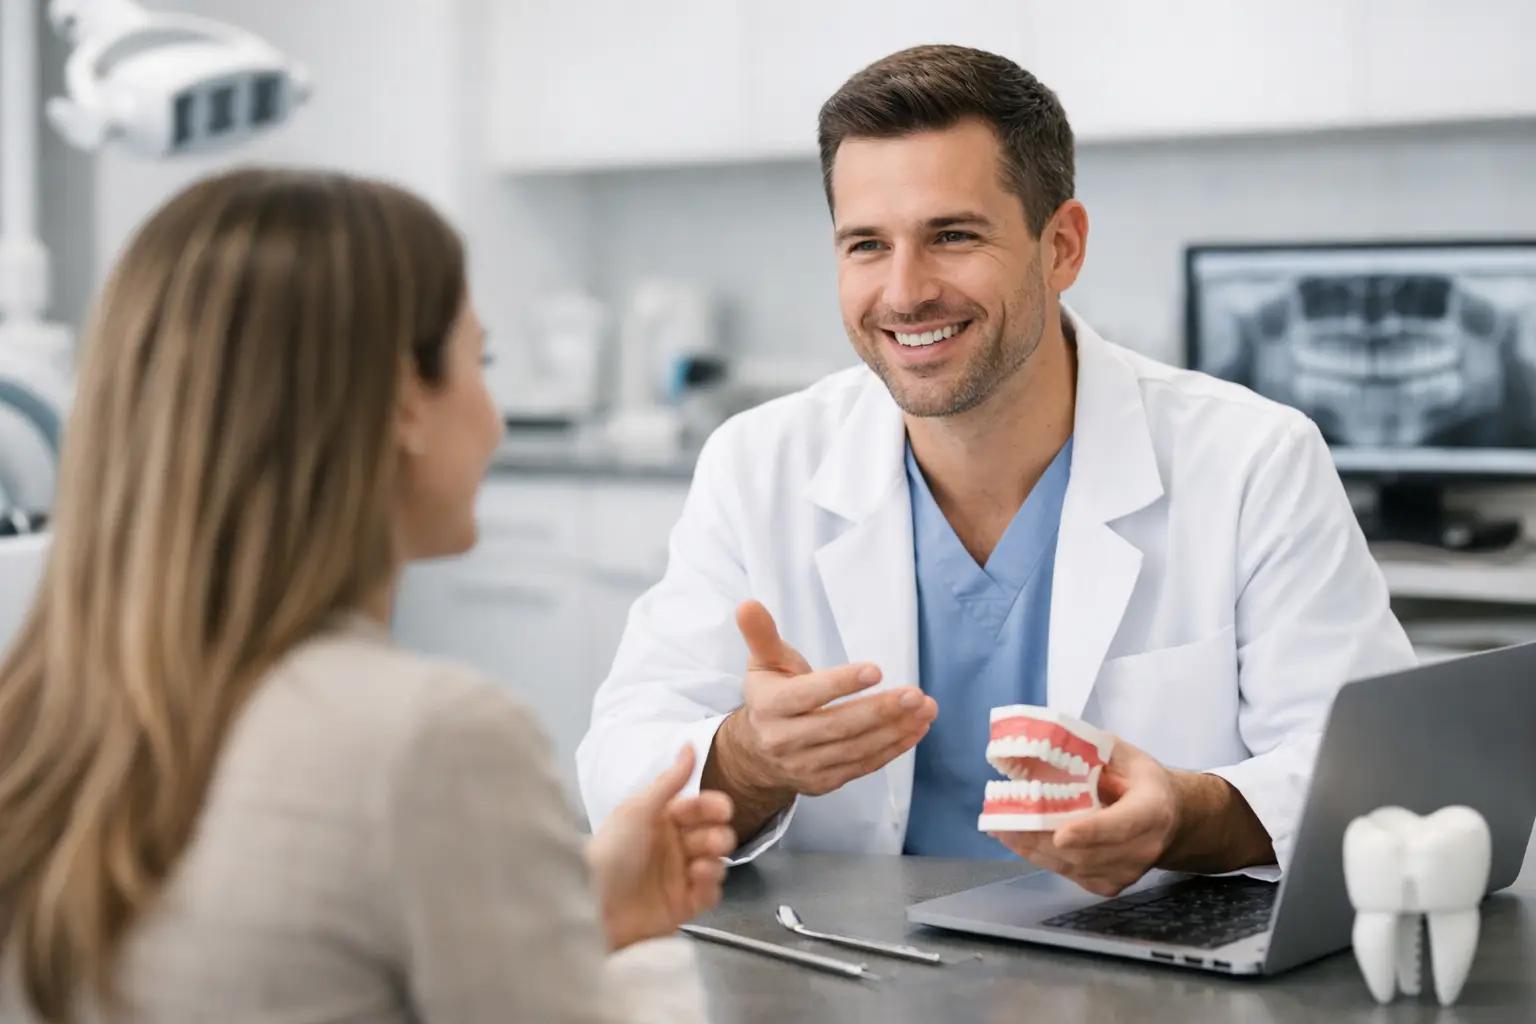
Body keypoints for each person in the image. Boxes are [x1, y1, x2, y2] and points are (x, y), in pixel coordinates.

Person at [578, 44, 1415, 894]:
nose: (904, 293)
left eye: (952, 236)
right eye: (867, 244)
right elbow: (618, 763)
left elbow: (1381, 778)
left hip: (1139, 976)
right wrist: (751, 759)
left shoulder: (1251, 460)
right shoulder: (759, 464)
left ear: (1062, 246)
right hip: (849, 968)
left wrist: (1187, 814)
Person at [0, 169, 733, 1024]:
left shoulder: (36, 720)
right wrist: (638, 957)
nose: (495, 417)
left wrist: (562, 908)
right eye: (477, 362)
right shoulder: (434, 739)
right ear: (403, 402)